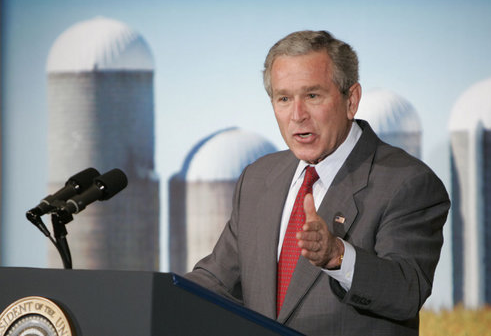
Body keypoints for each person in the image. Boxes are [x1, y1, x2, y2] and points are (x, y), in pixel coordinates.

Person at [184, 30, 450, 335]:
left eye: (312, 96)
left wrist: (338, 255)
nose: (297, 115)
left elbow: (406, 291)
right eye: (284, 98)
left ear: (351, 100)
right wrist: (144, 294)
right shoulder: (257, 179)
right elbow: (217, 281)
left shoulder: (406, 182)